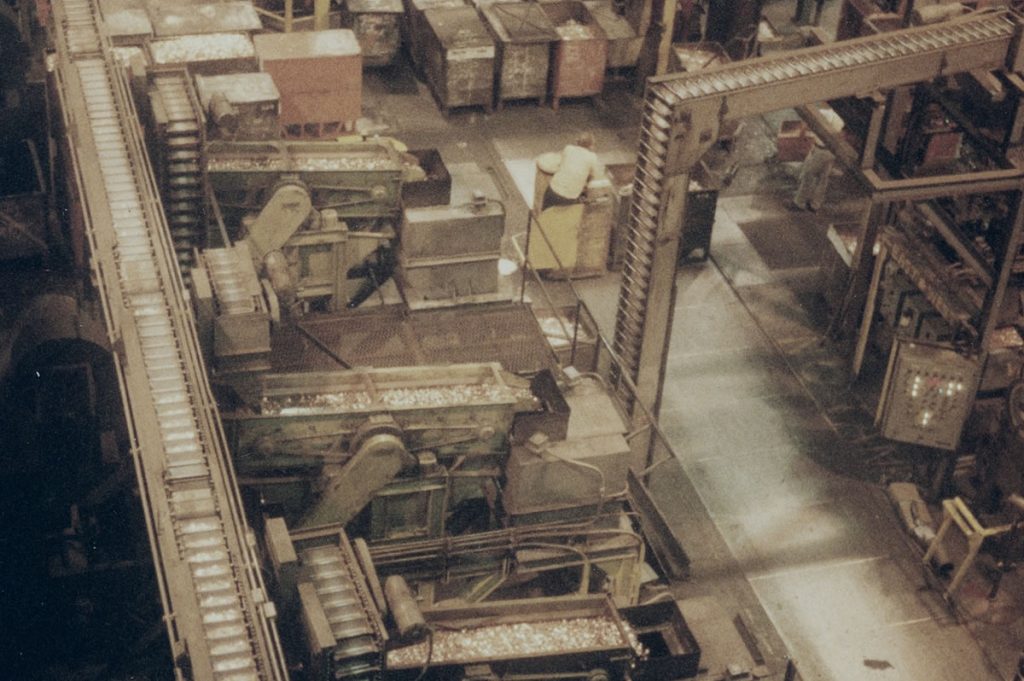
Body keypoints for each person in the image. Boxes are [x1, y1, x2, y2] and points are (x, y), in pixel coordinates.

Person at [541, 133, 605, 210]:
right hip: (569, 199)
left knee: (545, 212)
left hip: (552, 191)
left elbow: (559, 163)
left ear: (577, 141)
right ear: (591, 146)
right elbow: (597, 175)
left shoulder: (568, 148)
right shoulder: (592, 158)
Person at [793, 140, 835, 212]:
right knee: (822, 180)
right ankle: (814, 205)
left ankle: (800, 203)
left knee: (808, 175)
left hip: (821, 150)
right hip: (831, 151)